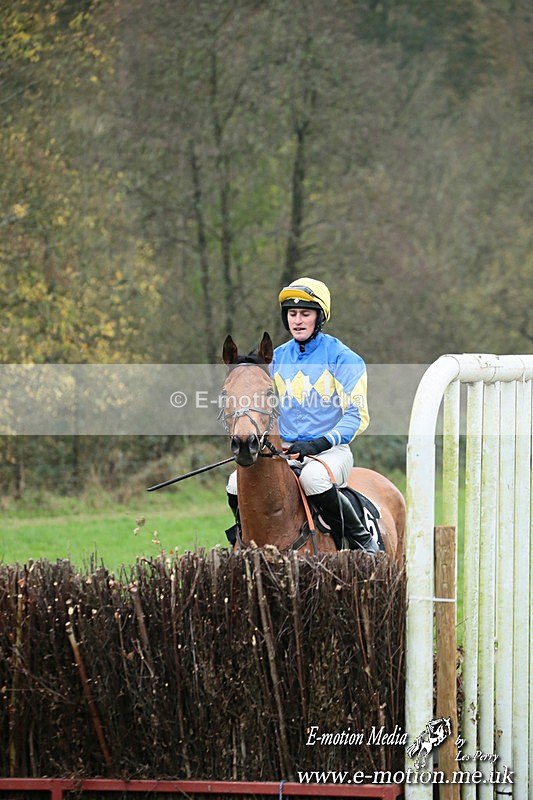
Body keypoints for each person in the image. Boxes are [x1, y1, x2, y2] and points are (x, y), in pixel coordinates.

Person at [226, 277, 378, 554]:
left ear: (319, 317)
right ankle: (241, 540)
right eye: (292, 314)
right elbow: (261, 410)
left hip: (330, 452)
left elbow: (357, 415)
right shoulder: (276, 359)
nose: (297, 320)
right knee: (235, 483)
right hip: (282, 451)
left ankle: (362, 542)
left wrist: (318, 444)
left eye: (305, 314)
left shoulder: (344, 358)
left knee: (314, 479)